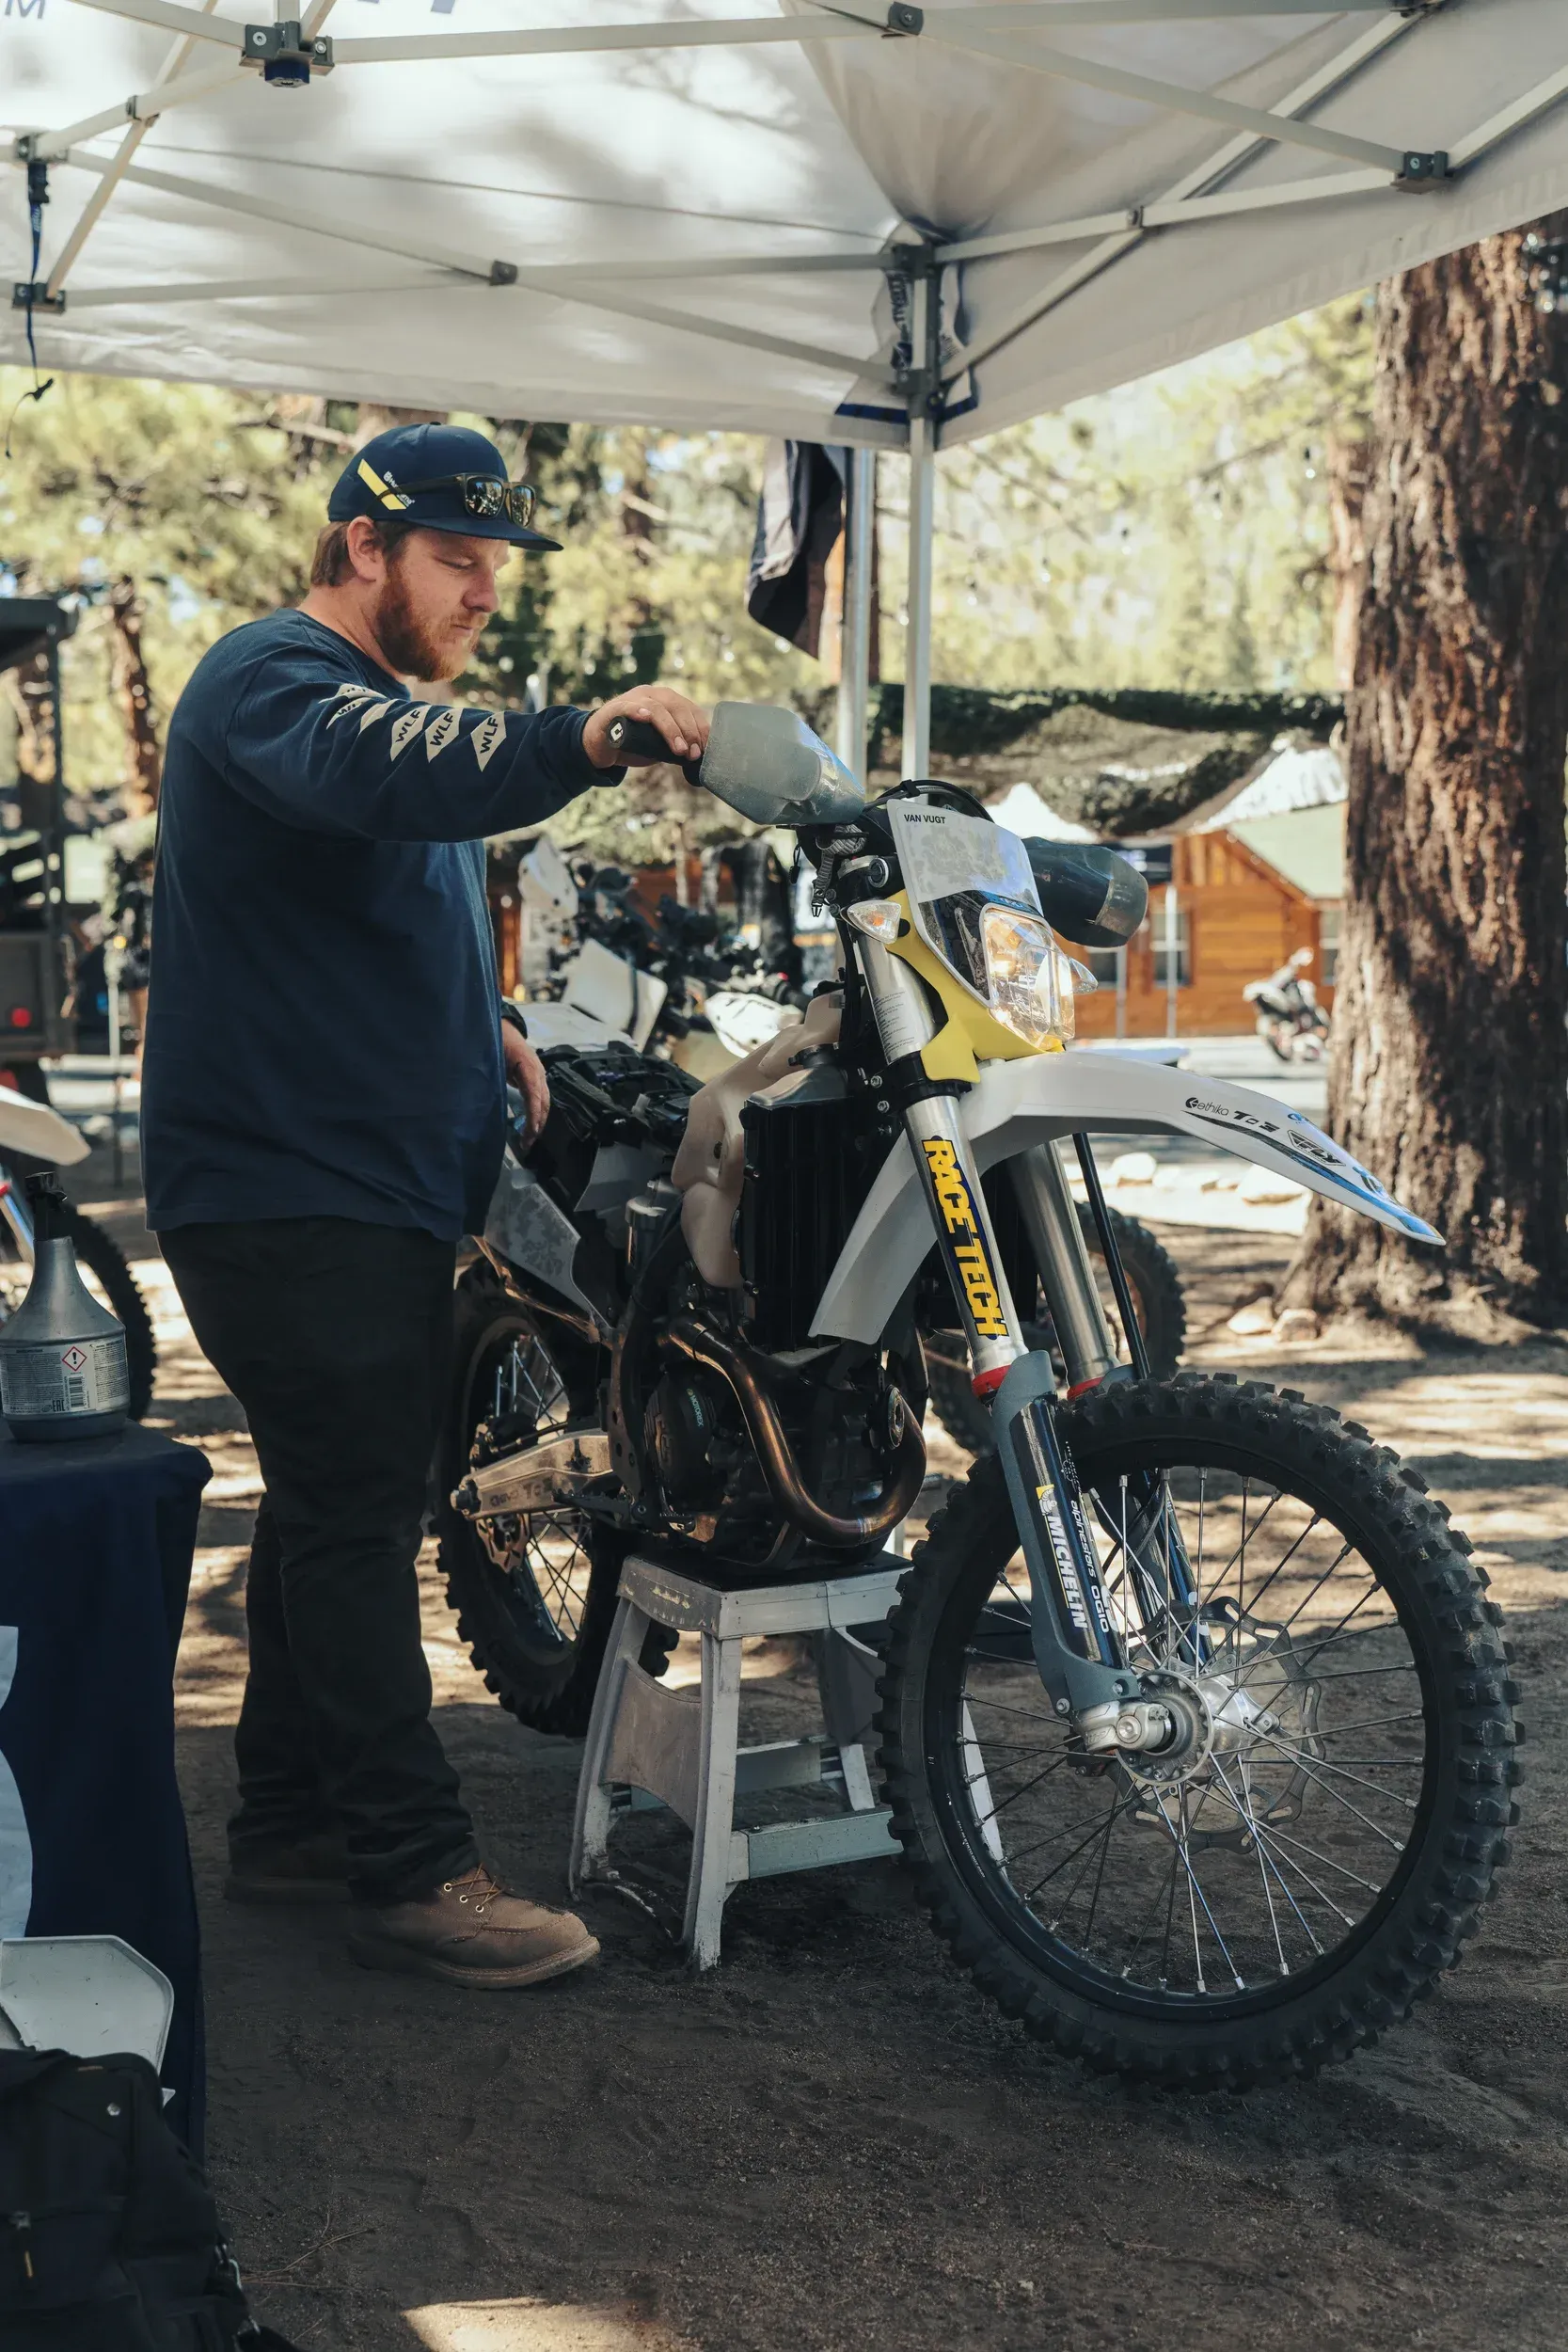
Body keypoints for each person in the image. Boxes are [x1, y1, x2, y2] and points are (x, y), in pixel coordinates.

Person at [142, 422, 709, 1989]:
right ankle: (409, 1874)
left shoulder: (369, 705)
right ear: (362, 547)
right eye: (454, 559)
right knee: (347, 1504)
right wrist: (587, 737)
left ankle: (289, 1823)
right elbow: (390, 779)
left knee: (349, 1496)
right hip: (284, 1190)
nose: (480, 593)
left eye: (495, 566)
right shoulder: (277, 682)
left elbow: (364, 897)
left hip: (357, 1183)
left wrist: (490, 1021)